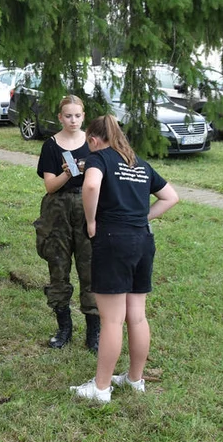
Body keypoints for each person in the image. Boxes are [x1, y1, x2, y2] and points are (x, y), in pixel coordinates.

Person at [70, 114, 179, 403]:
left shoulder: (100, 158)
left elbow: (91, 186)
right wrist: (141, 217)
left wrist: (92, 222)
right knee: (137, 315)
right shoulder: (138, 162)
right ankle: (134, 379)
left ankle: (101, 388)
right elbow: (171, 197)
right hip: (143, 240)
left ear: (93, 140)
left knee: (112, 319)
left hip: (113, 242)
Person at [34, 95, 99, 351]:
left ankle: (93, 333)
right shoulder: (51, 146)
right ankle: (64, 329)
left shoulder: (92, 143)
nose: (73, 120)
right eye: (68, 116)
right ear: (60, 117)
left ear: (84, 117)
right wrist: (68, 173)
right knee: (58, 269)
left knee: (91, 269)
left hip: (87, 209)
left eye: (78, 116)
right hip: (57, 211)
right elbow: (50, 186)